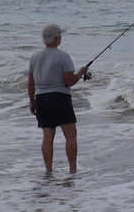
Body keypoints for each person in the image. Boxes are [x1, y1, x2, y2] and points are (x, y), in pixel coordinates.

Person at [27, 23, 90, 173]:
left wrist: (32, 102)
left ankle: (49, 171)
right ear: (56, 38)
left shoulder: (35, 57)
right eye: (60, 35)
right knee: (70, 135)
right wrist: (81, 72)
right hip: (60, 98)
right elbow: (70, 81)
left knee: (48, 136)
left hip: (41, 99)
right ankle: (72, 170)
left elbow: (31, 83)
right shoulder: (63, 56)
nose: (61, 38)